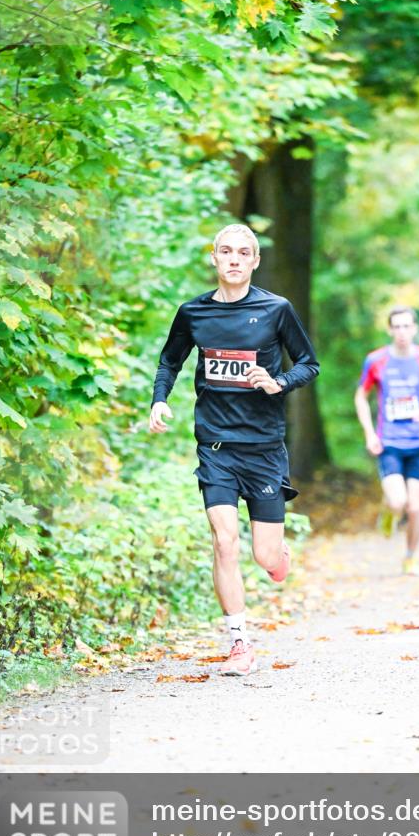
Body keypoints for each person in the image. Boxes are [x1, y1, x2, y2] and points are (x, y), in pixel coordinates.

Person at [149, 224, 319, 676]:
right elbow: (170, 361)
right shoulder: (193, 313)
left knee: (265, 557)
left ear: (255, 261)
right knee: (224, 541)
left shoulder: (276, 309)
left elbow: (309, 364)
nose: (235, 259)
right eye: (227, 251)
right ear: (214, 258)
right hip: (216, 446)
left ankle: (277, 556)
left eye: (244, 253)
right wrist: (160, 399)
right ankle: (239, 641)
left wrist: (278, 381)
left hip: (263, 448)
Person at [355, 307, 419, 575]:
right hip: (390, 442)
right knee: (398, 501)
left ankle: (409, 557)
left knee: (416, 507)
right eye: (396, 327)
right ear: (389, 330)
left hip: (418, 442)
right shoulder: (376, 360)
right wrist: (369, 433)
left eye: (407, 326)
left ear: (415, 329)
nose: (402, 332)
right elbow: (361, 396)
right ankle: (389, 513)